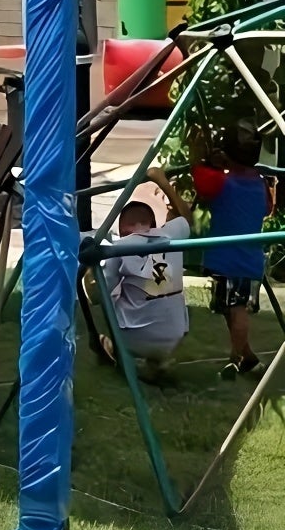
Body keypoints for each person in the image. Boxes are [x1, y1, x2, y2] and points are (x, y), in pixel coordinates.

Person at [191, 131, 273, 379]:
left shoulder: (221, 182)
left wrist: (201, 158)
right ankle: (247, 357)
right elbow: (267, 208)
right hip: (247, 258)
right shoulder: (260, 184)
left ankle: (234, 360)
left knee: (236, 309)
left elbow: (201, 182)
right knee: (231, 308)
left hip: (230, 260)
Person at [99, 169, 192, 383]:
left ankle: (114, 347)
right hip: (175, 334)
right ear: (152, 224)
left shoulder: (119, 247)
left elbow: (98, 294)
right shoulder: (171, 235)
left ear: (122, 228)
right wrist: (162, 182)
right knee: (162, 292)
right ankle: (158, 360)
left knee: (112, 296)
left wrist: (90, 268)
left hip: (135, 337)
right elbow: (186, 218)